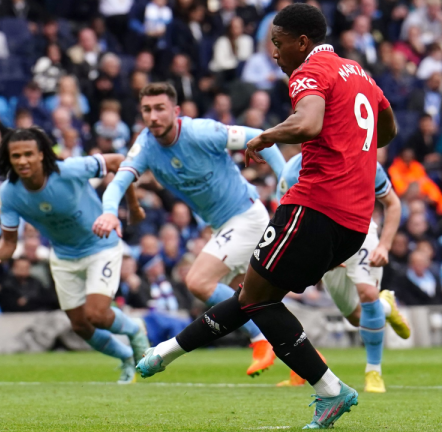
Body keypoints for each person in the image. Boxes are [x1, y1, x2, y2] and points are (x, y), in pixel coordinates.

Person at [134, 5, 397, 428]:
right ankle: (165, 353)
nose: (274, 52)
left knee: (255, 297)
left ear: (302, 42)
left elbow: (308, 123)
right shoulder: (358, 71)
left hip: (314, 205)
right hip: (355, 222)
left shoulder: (309, 72)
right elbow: (387, 131)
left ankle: (331, 390)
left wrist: (267, 136)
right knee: (254, 297)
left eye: (278, 43)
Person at [95, 82, 283, 377]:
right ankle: (300, 360)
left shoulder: (201, 131)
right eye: (147, 110)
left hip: (247, 215)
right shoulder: (144, 146)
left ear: (176, 111)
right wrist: (108, 213)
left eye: (160, 108)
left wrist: (285, 194)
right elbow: (118, 182)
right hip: (222, 226)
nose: (153, 116)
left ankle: (260, 340)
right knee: (250, 300)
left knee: (198, 281)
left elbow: (263, 139)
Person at [0, 127, 149, 384]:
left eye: (28, 154)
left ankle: (135, 330)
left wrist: (132, 205)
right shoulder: (9, 192)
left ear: (42, 155)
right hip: (63, 257)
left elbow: (118, 161)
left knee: (97, 314)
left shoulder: (69, 169)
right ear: (8, 158)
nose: (22, 161)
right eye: (16, 156)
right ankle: (126, 357)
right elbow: (9, 244)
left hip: (101, 246)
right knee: (81, 326)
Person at [275, 153, 411, 392]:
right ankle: (386, 306)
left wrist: (384, 245)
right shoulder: (292, 171)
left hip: (360, 231)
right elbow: (287, 218)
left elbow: (393, 203)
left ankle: (373, 372)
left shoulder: (365, 160)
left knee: (368, 294)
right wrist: (315, 255)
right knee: (357, 317)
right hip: (325, 242)